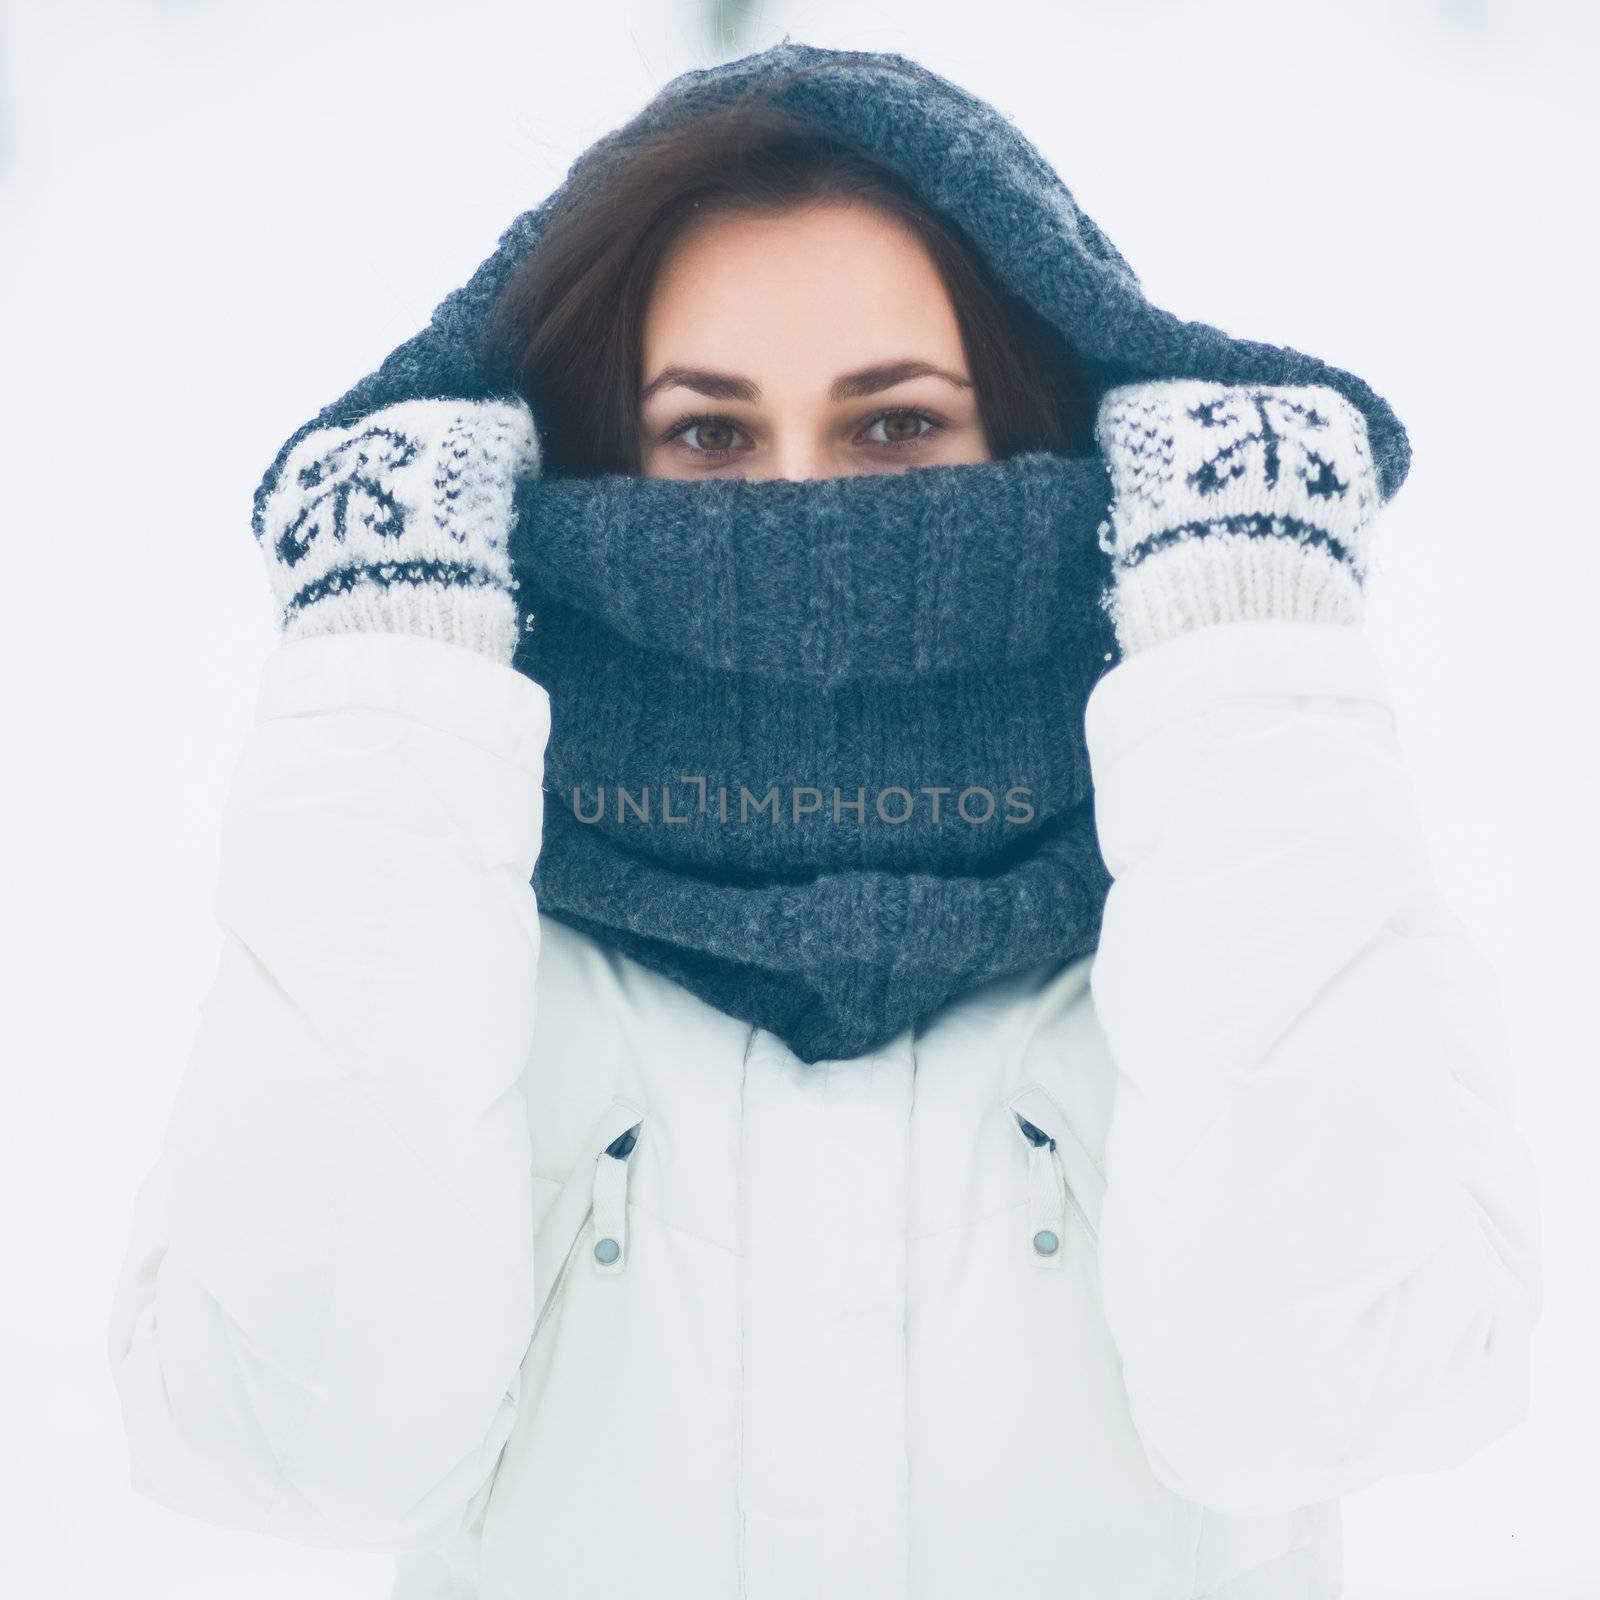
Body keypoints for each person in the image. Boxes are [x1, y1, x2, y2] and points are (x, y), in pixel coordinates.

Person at [105, 39, 1542, 1600]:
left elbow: (1337, 1399)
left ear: (1044, 431)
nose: (804, 507)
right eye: (711, 436)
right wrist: (387, 676)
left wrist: (1247, 650)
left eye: (898, 424)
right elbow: (296, 1446)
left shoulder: (1236, 884)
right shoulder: (450, 931)